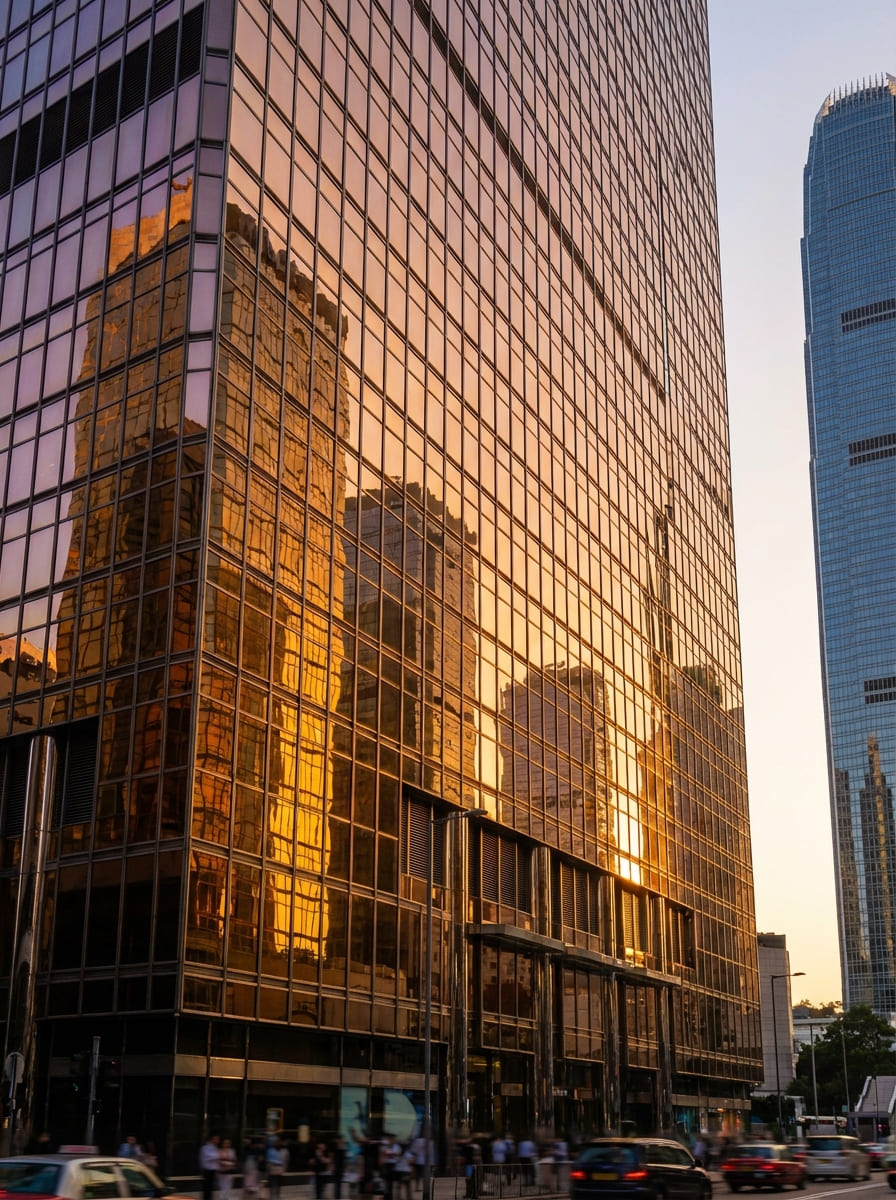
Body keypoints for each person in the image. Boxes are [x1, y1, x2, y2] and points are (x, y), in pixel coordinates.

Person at [200, 1134, 221, 1200]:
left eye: (218, 1139)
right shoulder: (205, 1147)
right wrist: (216, 1156)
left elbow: (217, 1158)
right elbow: (209, 1157)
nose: (217, 1140)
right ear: (212, 1139)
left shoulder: (216, 1148)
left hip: (213, 1171)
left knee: (211, 1188)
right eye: (216, 1139)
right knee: (206, 1188)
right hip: (207, 1170)